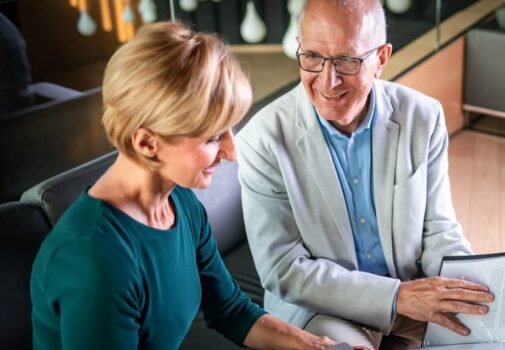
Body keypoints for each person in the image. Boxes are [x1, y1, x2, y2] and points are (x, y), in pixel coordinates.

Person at [30, 22, 345, 350]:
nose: (231, 152)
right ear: (148, 143)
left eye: (230, 129)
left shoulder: (180, 203)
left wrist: (318, 346)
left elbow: (231, 311)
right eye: (211, 137)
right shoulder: (96, 260)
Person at [236, 0, 494, 348]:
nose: (329, 80)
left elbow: (439, 230)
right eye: (312, 56)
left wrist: (469, 285)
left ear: (381, 59)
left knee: (500, 338)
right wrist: (397, 296)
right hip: (321, 309)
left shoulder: (424, 117)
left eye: (347, 60)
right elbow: (285, 270)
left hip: (412, 292)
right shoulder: (262, 140)